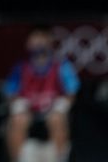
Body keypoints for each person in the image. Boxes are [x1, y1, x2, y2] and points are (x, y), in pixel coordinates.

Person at [4, 26, 79, 162]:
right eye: (34, 37)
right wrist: (18, 105)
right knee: (17, 120)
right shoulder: (21, 66)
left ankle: (60, 158)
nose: (37, 42)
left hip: (52, 108)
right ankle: (18, 159)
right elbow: (11, 92)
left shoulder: (60, 64)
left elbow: (71, 91)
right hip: (29, 109)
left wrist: (61, 105)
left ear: (49, 40)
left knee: (57, 119)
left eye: (40, 37)